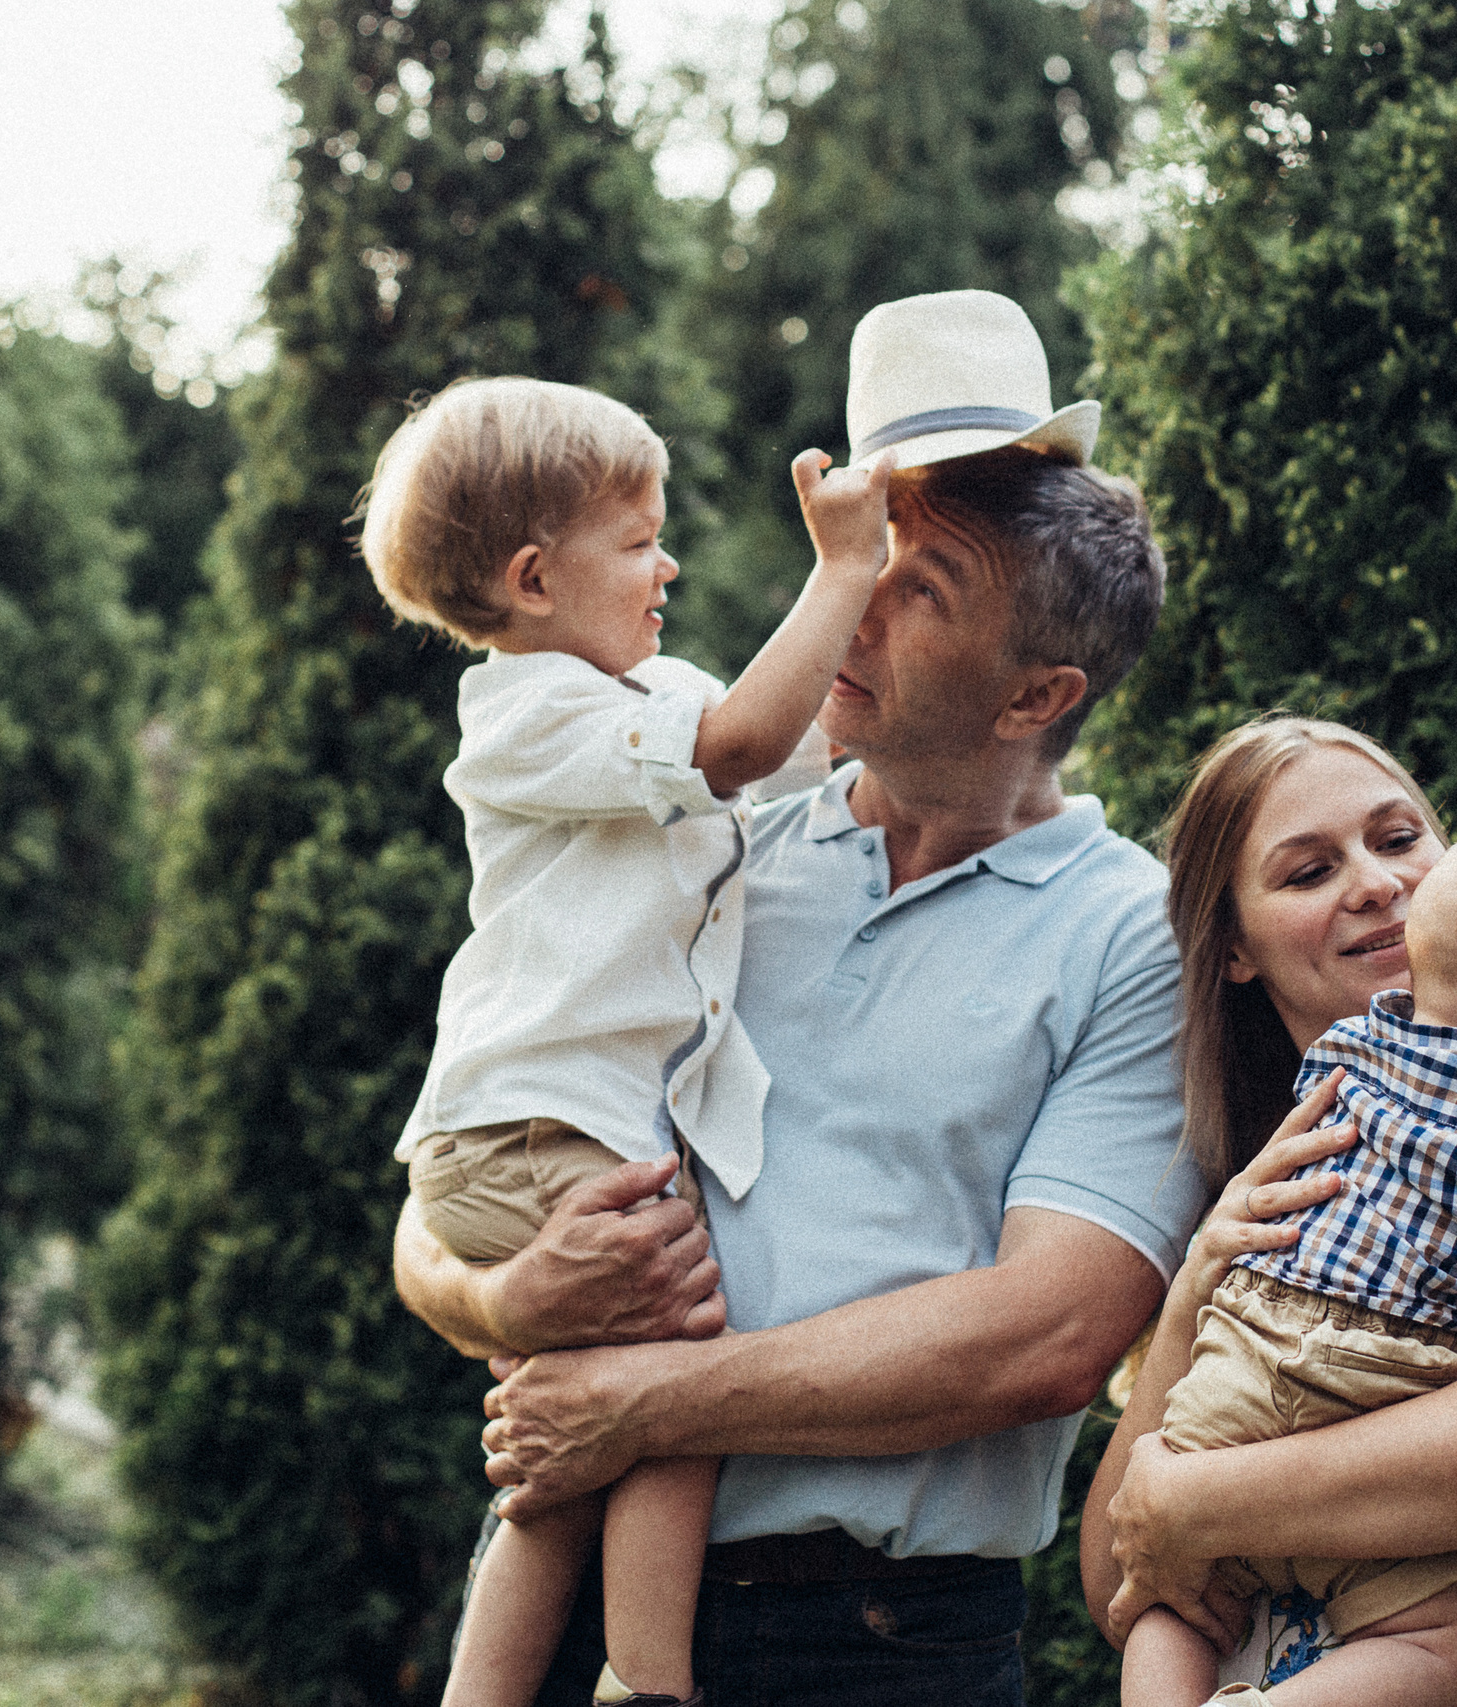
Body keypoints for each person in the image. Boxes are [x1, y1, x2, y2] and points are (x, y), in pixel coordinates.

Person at [394, 289, 1198, 1705]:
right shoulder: (713, 840)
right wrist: (512, 1288)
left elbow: (1049, 1333)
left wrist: (646, 1396)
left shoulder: (1133, 934)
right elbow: (458, 1173)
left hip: (877, 1647)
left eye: (917, 588)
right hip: (578, 1599)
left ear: (1035, 696)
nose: (850, 610)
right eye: (857, 561)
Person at [358, 374, 895, 1707]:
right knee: (683, 1373)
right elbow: (745, 741)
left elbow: (799, 758)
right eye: (638, 538)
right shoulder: (532, 706)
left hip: (551, 1126)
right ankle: (649, 1678)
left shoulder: (645, 688)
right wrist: (844, 572)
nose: (670, 561)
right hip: (536, 1130)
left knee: (568, 1450)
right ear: (536, 578)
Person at [1083, 717, 1457, 1707]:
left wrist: (1195, 1500)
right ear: (1233, 948)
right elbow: (1124, 1575)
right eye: (1307, 871)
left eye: (1399, 838)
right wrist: (1200, 1281)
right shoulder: (1284, 1152)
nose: (1375, 883)